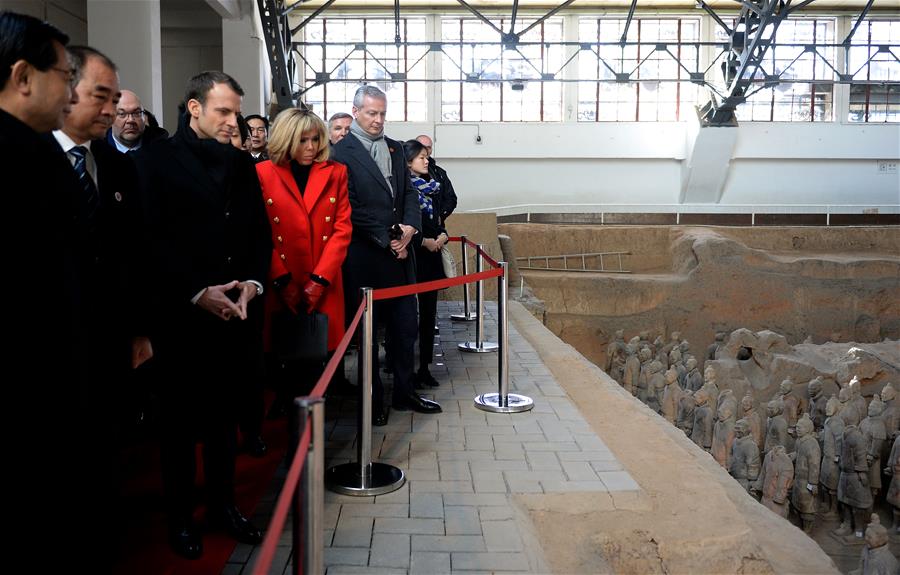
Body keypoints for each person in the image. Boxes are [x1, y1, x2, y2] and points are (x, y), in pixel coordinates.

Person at [135, 71, 271, 559]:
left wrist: (253, 285)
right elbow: (150, 239)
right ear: (193, 108)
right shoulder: (156, 160)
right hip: (182, 318)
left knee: (223, 424)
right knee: (178, 428)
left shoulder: (241, 165)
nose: (234, 121)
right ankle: (180, 519)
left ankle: (222, 506)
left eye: (236, 112)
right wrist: (196, 292)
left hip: (235, 315)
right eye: (223, 111)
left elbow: (258, 234)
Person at [0, 10, 97, 568]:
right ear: (22, 77)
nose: (72, 86)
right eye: (65, 73)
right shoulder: (21, 156)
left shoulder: (36, 150)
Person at [331, 85, 441, 424]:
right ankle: (373, 401)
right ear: (356, 112)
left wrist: (409, 229)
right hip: (367, 257)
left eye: (382, 113)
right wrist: (387, 237)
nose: (378, 120)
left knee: (405, 328)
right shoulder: (341, 153)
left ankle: (405, 394)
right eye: (371, 113)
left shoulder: (394, 147)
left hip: (401, 255)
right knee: (368, 336)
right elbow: (350, 206)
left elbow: (408, 193)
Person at [256, 107, 351, 414]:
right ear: (286, 140)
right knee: (282, 351)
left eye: (315, 139)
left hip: (323, 277)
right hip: (280, 277)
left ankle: (317, 414)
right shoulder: (262, 173)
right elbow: (259, 231)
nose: (311, 147)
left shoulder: (336, 172)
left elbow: (341, 229)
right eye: (302, 141)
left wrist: (319, 280)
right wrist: (281, 279)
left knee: (319, 351)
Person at [403, 138, 451, 388]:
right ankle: (402, 367)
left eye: (427, 156)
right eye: (421, 157)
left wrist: (442, 235)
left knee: (429, 315)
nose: (426, 160)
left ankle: (424, 367)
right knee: (406, 316)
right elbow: (402, 223)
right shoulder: (402, 188)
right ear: (409, 162)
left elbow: (438, 219)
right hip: (412, 258)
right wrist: (424, 242)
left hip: (432, 257)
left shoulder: (432, 187)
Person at [107, 88, 167, 153]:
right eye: (122, 114)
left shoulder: (164, 150)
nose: (130, 120)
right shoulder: (96, 152)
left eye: (136, 113)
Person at [415, 134, 457, 221]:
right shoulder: (404, 174)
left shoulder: (440, 173)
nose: (426, 150)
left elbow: (451, 198)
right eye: (422, 147)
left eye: (428, 147)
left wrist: (439, 215)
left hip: (436, 227)